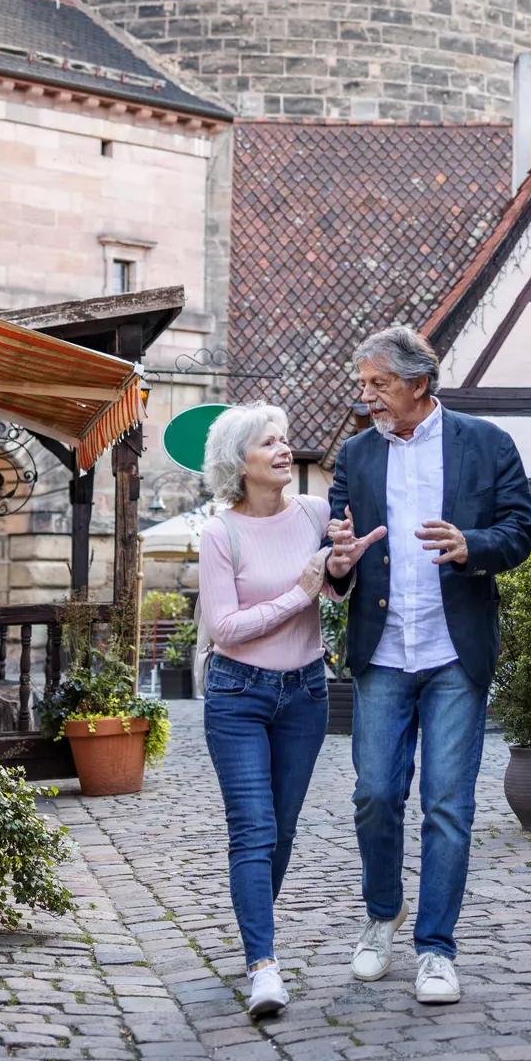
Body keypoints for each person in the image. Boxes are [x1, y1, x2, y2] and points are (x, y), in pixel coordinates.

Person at [325, 325, 531, 1004]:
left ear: (418, 383)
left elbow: (520, 529)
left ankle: (436, 947)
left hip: (454, 651)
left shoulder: (488, 444)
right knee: (375, 794)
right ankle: (381, 915)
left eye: (377, 385)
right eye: (363, 386)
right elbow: (335, 543)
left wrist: (470, 544)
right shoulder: (354, 455)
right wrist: (337, 559)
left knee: (448, 804)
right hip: (382, 650)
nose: (367, 398)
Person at [193, 403, 333, 1019]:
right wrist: (298, 595)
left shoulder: (317, 514)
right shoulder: (220, 534)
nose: (283, 449)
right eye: (268, 443)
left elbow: (334, 579)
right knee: (252, 829)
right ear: (238, 464)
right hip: (237, 696)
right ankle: (264, 966)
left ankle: (256, 932)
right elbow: (225, 627)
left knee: (281, 831)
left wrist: (337, 573)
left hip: (306, 694)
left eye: (285, 438)